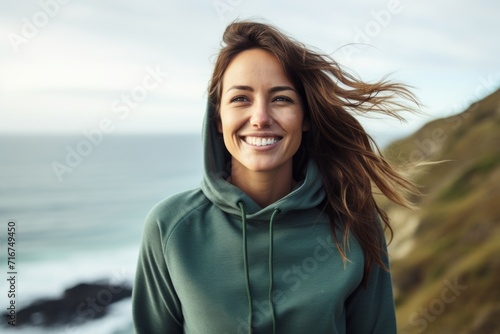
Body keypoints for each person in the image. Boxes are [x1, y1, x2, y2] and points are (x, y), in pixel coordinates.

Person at [132, 20, 418, 334]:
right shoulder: (170, 228)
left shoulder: (353, 223)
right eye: (241, 99)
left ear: (305, 118)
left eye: (281, 99)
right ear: (217, 118)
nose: (261, 118)